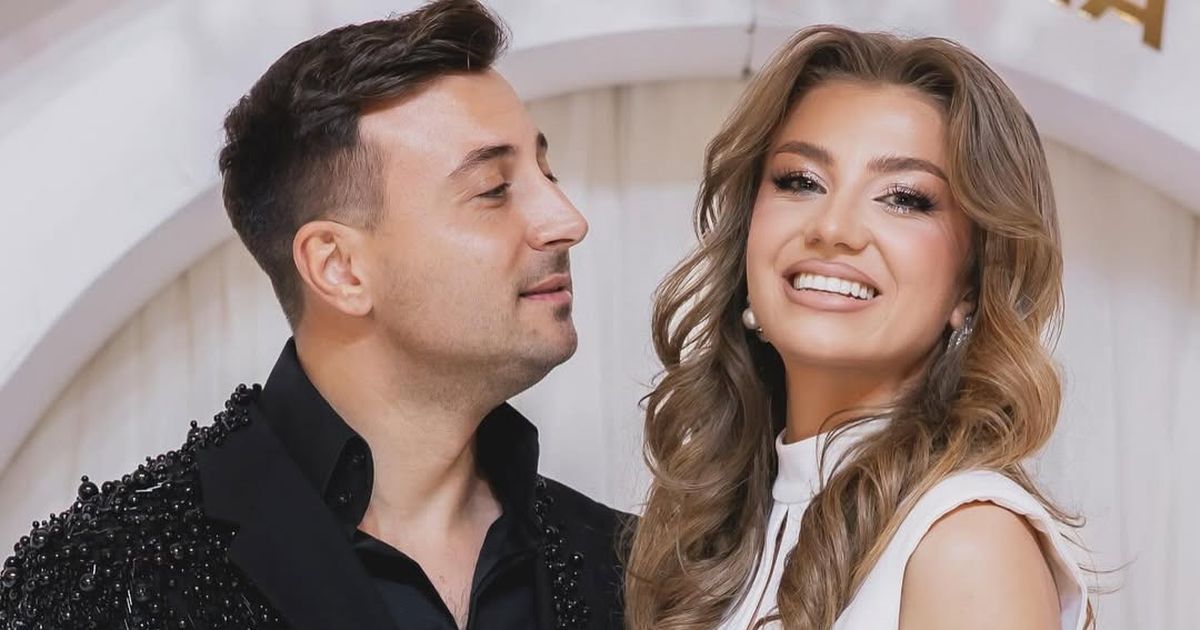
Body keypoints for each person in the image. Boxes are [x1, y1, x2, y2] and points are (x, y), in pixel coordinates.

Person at [0, 1, 627, 628]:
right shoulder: (98, 583)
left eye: (548, 174)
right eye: (494, 190)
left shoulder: (632, 572)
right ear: (338, 268)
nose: (567, 220)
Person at [625, 25, 1092, 630]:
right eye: (800, 181)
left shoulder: (966, 542)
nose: (833, 228)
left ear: (972, 284)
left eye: (904, 198)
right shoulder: (718, 528)